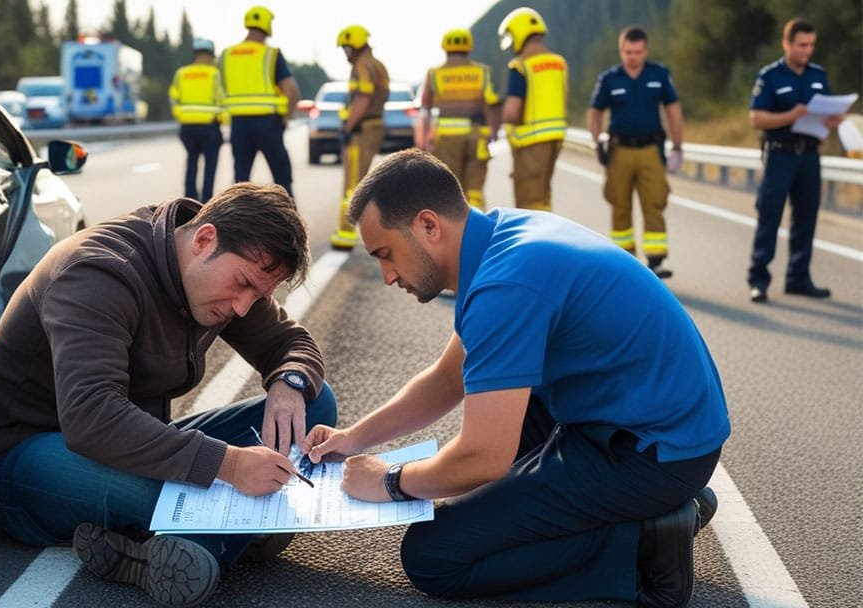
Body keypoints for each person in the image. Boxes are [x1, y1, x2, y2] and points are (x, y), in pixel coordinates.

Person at [304, 149, 729, 607]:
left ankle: (647, 541)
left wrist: (390, 481)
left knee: (435, 557)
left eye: (386, 254)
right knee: (483, 483)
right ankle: (646, 506)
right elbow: (449, 379)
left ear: (429, 225)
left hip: (653, 454)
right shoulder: (500, 238)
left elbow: (483, 457)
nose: (387, 276)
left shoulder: (506, 284)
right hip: (640, 426)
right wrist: (354, 437)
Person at [0, 183, 338, 607]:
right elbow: (93, 419)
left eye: (260, 295)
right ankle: (232, 531)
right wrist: (229, 465)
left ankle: (186, 540)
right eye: (243, 284)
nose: (244, 307)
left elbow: (289, 342)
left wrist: (290, 381)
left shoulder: (217, 277)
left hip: (126, 444)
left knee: (315, 403)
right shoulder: (99, 273)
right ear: (204, 239)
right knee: (197, 492)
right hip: (26, 459)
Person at [747, 18, 843, 303]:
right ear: (786, 44)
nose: (807, 50)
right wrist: (792, 115)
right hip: (779, 155)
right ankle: (758, 279)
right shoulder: (770, 76)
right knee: (770, 216)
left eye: (811, 45)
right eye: (802, 45)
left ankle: (798, 278)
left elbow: (821, 112)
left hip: (809, 156)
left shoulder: (818, 75)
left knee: (806, 218)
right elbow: (756, 118)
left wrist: (832, 120)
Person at [587, 26, 685, 280]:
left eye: (638, 52)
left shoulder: (659, 75)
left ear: (646, 50)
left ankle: (656, 261)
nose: (633, 57)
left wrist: (677, 145)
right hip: (620, 151)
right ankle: (625, 260)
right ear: (621, 50)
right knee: (619, 204)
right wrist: (598, 140)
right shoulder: (609, 79)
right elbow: (595, 112)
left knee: (654, 203)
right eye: (628, 52)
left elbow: (673, 109)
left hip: (650, 150)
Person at [219, 6, 300, 198]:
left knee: (240, 181)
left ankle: (236, 223)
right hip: (268, 124)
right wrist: (287, 117)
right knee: (282, 178)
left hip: (239, 124)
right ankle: (290, 221)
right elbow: (291, 91)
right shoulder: (270, 54)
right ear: (267, 25)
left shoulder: (227, 55)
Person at [418, 28, 502, 212]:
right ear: (469, 47)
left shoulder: (435, 74)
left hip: (446, 140)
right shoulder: (482, 72)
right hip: (476, 138)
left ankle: (453, 236)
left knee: (450, 191)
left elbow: (425, 109)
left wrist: (424, 141)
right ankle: (479, 231)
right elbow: (492, 106)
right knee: (475, 191)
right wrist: (493, 133)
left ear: (445, 48)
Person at [498, 7, 567, 212]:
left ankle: (539, 244)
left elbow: (512, 111)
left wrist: (501, 117)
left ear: (519, 33)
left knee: (529, 204)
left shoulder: (520, 66)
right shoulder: (558, 63)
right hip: (555, 139)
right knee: (543, 197)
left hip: (529, 142)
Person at [330, 25, 390, 250]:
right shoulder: (377, 65)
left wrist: (348, 126)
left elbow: (363, 98)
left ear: (355, 45)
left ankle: (346, 233)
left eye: (346, 48)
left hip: (362, 129)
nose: (346, 53)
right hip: (373, 126)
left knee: (352, 183)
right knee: (359, 181)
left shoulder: (362, 66)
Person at [169, 38, 225, 202]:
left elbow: (173, 98)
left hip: (187, 126)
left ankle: (189, 200)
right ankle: (206, 202)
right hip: (210, 126)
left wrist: (180, 115)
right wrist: (222, 119)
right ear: (211, 54)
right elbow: (222, 99)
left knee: (192, 162)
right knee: (210, 166)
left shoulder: (182, 73)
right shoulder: (215, 74)